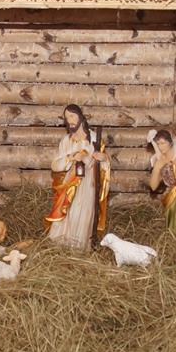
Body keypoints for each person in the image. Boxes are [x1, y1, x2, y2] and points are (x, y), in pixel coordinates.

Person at [44, 104, 108, 250]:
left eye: (72, 116)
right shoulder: (66, 141)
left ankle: (78, 249)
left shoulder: (94, 139)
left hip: (88, 185)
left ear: (80, 116)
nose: (70, 120)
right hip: (69, 185)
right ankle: (59, 247)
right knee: (67, 214)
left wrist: (103, 158)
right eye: (67, 118)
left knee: (82, 214)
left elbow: (103, 165)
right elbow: (55, 165)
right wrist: (71, 157)